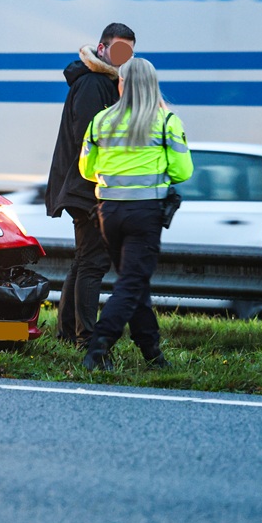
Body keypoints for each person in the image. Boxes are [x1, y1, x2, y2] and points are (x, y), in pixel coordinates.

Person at [78, 57, 193, 371]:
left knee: (135, 283)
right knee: (131, 283)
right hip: (145, 213)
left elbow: (86, 169)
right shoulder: (167, 121)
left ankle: (152, 353)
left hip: (108, 213)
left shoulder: (100, 120)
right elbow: (183, 171)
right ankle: (97, 349)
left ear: (122, 84)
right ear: (153, 85)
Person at [45, 23, 136, 348]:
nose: (123, 58)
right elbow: (92, 138)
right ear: (101, 48)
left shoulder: (100, 82)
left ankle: (68, 332)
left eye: (129, 52)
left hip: (84, 185)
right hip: (87, 187)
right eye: (118, 50)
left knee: (85, 259)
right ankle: (86, 338)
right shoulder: (94, 83)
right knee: (94, 262)